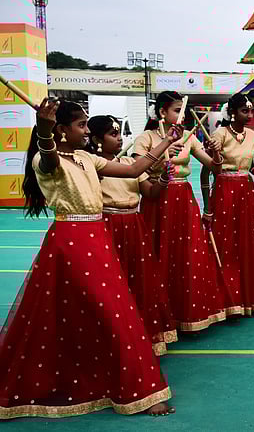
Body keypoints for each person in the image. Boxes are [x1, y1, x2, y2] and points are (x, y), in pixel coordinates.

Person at [0, 99, 178, 418]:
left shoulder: (86, 158)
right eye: (80, 125)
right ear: (62, 131)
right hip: (70, 242)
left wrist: (167, 140)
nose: (86, 130)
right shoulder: (46, 158)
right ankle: (137, 392)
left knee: (111, 309)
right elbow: (49, 153)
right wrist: (43, 127)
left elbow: (134, 170)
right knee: (108, 310)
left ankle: (125, 387)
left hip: (98, 239)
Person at [134, 91, 230, 331]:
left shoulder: (189, 137)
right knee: (158, 252)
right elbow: (137, 170)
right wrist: (161, 160)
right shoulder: (145, 138)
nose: (182, 115)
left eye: (183, 111)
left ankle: (187, 314)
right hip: (156, 198)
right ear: (161, 113)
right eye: (177, 110)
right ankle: (159, 315)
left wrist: (216, 151)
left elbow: (215, 168)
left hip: (183, 199)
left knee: (186, 253)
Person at [87, 115, 177, 355]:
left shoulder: (127, 160)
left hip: (134, 226)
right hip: (108, 228)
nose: (119, 139)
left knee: (139, 281)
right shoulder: (92, 165)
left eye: (119, 134)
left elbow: (150, 192)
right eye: (112, 134)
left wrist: (164, 179)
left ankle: (142, 335)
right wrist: (166, 141)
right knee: (113, 284)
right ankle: (115, 338)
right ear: (96, 139)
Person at [202, 94, 254, 316]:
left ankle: (248, 297)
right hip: (224, 191)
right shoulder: (219, 134)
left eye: (251, 111)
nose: (250, 115)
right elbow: (207, 173)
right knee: (227, 244)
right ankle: (228, 300)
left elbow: (249, 165)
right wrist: (207, 208)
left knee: (248, 242)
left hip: (246, 191)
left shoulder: (252, 135)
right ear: (232, 112)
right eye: (245, 111)